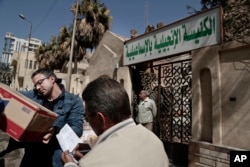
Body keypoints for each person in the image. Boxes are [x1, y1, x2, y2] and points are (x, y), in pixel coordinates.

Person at [61, 76, 169, 167]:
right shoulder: (155, 141)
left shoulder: (90, 163)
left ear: (100, 119)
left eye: (87, 116)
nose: (88, 120)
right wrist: (95, 153)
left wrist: (70, 164)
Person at [1, 68, 84, 167]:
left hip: (55, 158)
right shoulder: (33, 96)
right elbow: (14, 96)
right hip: (31, 155)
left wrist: (55, 130)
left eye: (40, 82)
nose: (38, 87)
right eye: (35, 85)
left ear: (52, 79)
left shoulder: (73, 101)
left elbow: (77, 128)